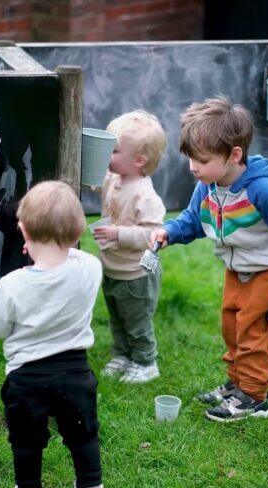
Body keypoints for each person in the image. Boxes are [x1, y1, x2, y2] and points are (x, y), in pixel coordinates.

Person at [151, 97, 268, 422]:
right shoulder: (208, 185)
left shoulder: (263, 190)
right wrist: (168, 232)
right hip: (236, 269)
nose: (193, 167)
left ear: (235, 155)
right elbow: (194, 219)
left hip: (267, 271)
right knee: (232, 326)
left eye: (201, 160)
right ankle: (236, 384)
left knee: (252, 332)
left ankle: (254, 397)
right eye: (190, 158)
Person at [0, 180, 105, 488]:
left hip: (27, 378)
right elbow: (74, 256)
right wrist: (56, 243)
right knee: (83, 434)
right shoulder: (90, 268)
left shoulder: (12, 284)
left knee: (26, 441)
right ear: (76, 231)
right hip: (75, 373)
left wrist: (36, 247)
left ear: (23, 230)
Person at [91, 110, 168, 384]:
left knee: (137, 322)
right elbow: (100, 185)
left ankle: (146, 362)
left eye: (113, 151)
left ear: (138, 161)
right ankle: (122, 354)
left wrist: (118, 233)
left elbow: (152, 234)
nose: (107, 156)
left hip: (136, 274)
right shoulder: (115, 179)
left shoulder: (145, 195)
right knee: (117, 318)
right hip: (113, 267)